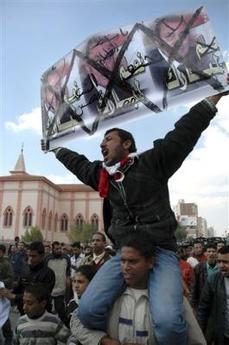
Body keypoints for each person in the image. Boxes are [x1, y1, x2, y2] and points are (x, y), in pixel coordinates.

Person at [45, 82, 229, 345]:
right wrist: (54, 147)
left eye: (108, 139)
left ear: (127, 143)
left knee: (167, 324)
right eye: (101, 141)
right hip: (124, 253)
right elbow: (78, 163)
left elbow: (184, 132)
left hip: (160, 252)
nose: (101, 145)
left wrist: (214, 97)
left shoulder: (153, 162)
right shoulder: (101, 176)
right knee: (87, 310)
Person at [70, 232, 206, 345]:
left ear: (150, 262)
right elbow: (76, 322)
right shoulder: (106, 295)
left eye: (133, 261)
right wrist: (103, 340)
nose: (126, 267)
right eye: (122, 261)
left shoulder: (172, 300)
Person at [0, 241, 55, 315]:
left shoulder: (48, 273)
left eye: (34, 256)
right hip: (23, 313)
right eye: (29, 256)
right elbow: (19, 288)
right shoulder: (26, 270)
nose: (30, 259)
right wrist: (7, 293)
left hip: (40, 314)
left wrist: (14, 296)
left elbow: (39, 296)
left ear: (42, 255)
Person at [197, 245, 229, 345]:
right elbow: (203, 308)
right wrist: (200, 333)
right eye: (219, 261)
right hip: (222, 335)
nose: (221, 265)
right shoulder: (213, 279)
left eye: (225, 262)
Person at [46, 241, 71, 322]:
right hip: (49, 289)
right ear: (52, 249)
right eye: (56, 249)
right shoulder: (47, 259)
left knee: (61, 310)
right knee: (47, 310)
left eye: (60, 248)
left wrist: (68, 280)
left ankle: (66, 327)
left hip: (60, 288)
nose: (59, 250)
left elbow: (68, 272)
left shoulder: (66, 258)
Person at [0, 244, 14, 345]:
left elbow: (10, 278)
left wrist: (1, 283)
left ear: (3, 252)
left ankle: (8, 338)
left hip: (3, 293)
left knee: (4, 316)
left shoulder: (6, 264)